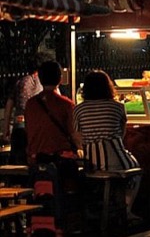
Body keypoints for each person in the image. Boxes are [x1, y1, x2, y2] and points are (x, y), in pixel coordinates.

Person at [74, 70, 141, 221]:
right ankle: (126, 209)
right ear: (108, 87)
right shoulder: (118, 107)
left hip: (91, 161)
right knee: (135, 171)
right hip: (115, 155)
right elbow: (121, 132)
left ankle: (112, 208)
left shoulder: (78, 109)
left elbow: (78, 136)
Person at [24, 60, 83, 190]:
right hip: (60, 161)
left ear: (39, 78)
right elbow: (74, 134)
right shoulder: (66, 104)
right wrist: (81, 148)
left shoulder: (30, 104)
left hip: (35, 160)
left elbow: (29, 130)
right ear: (60, 79)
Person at [2, 54, 44, 164]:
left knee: (18, 162)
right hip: (37, 128)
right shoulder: (43, 83)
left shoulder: (20, 82)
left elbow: (9, 106)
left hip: (19, 127)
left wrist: (6, 129)